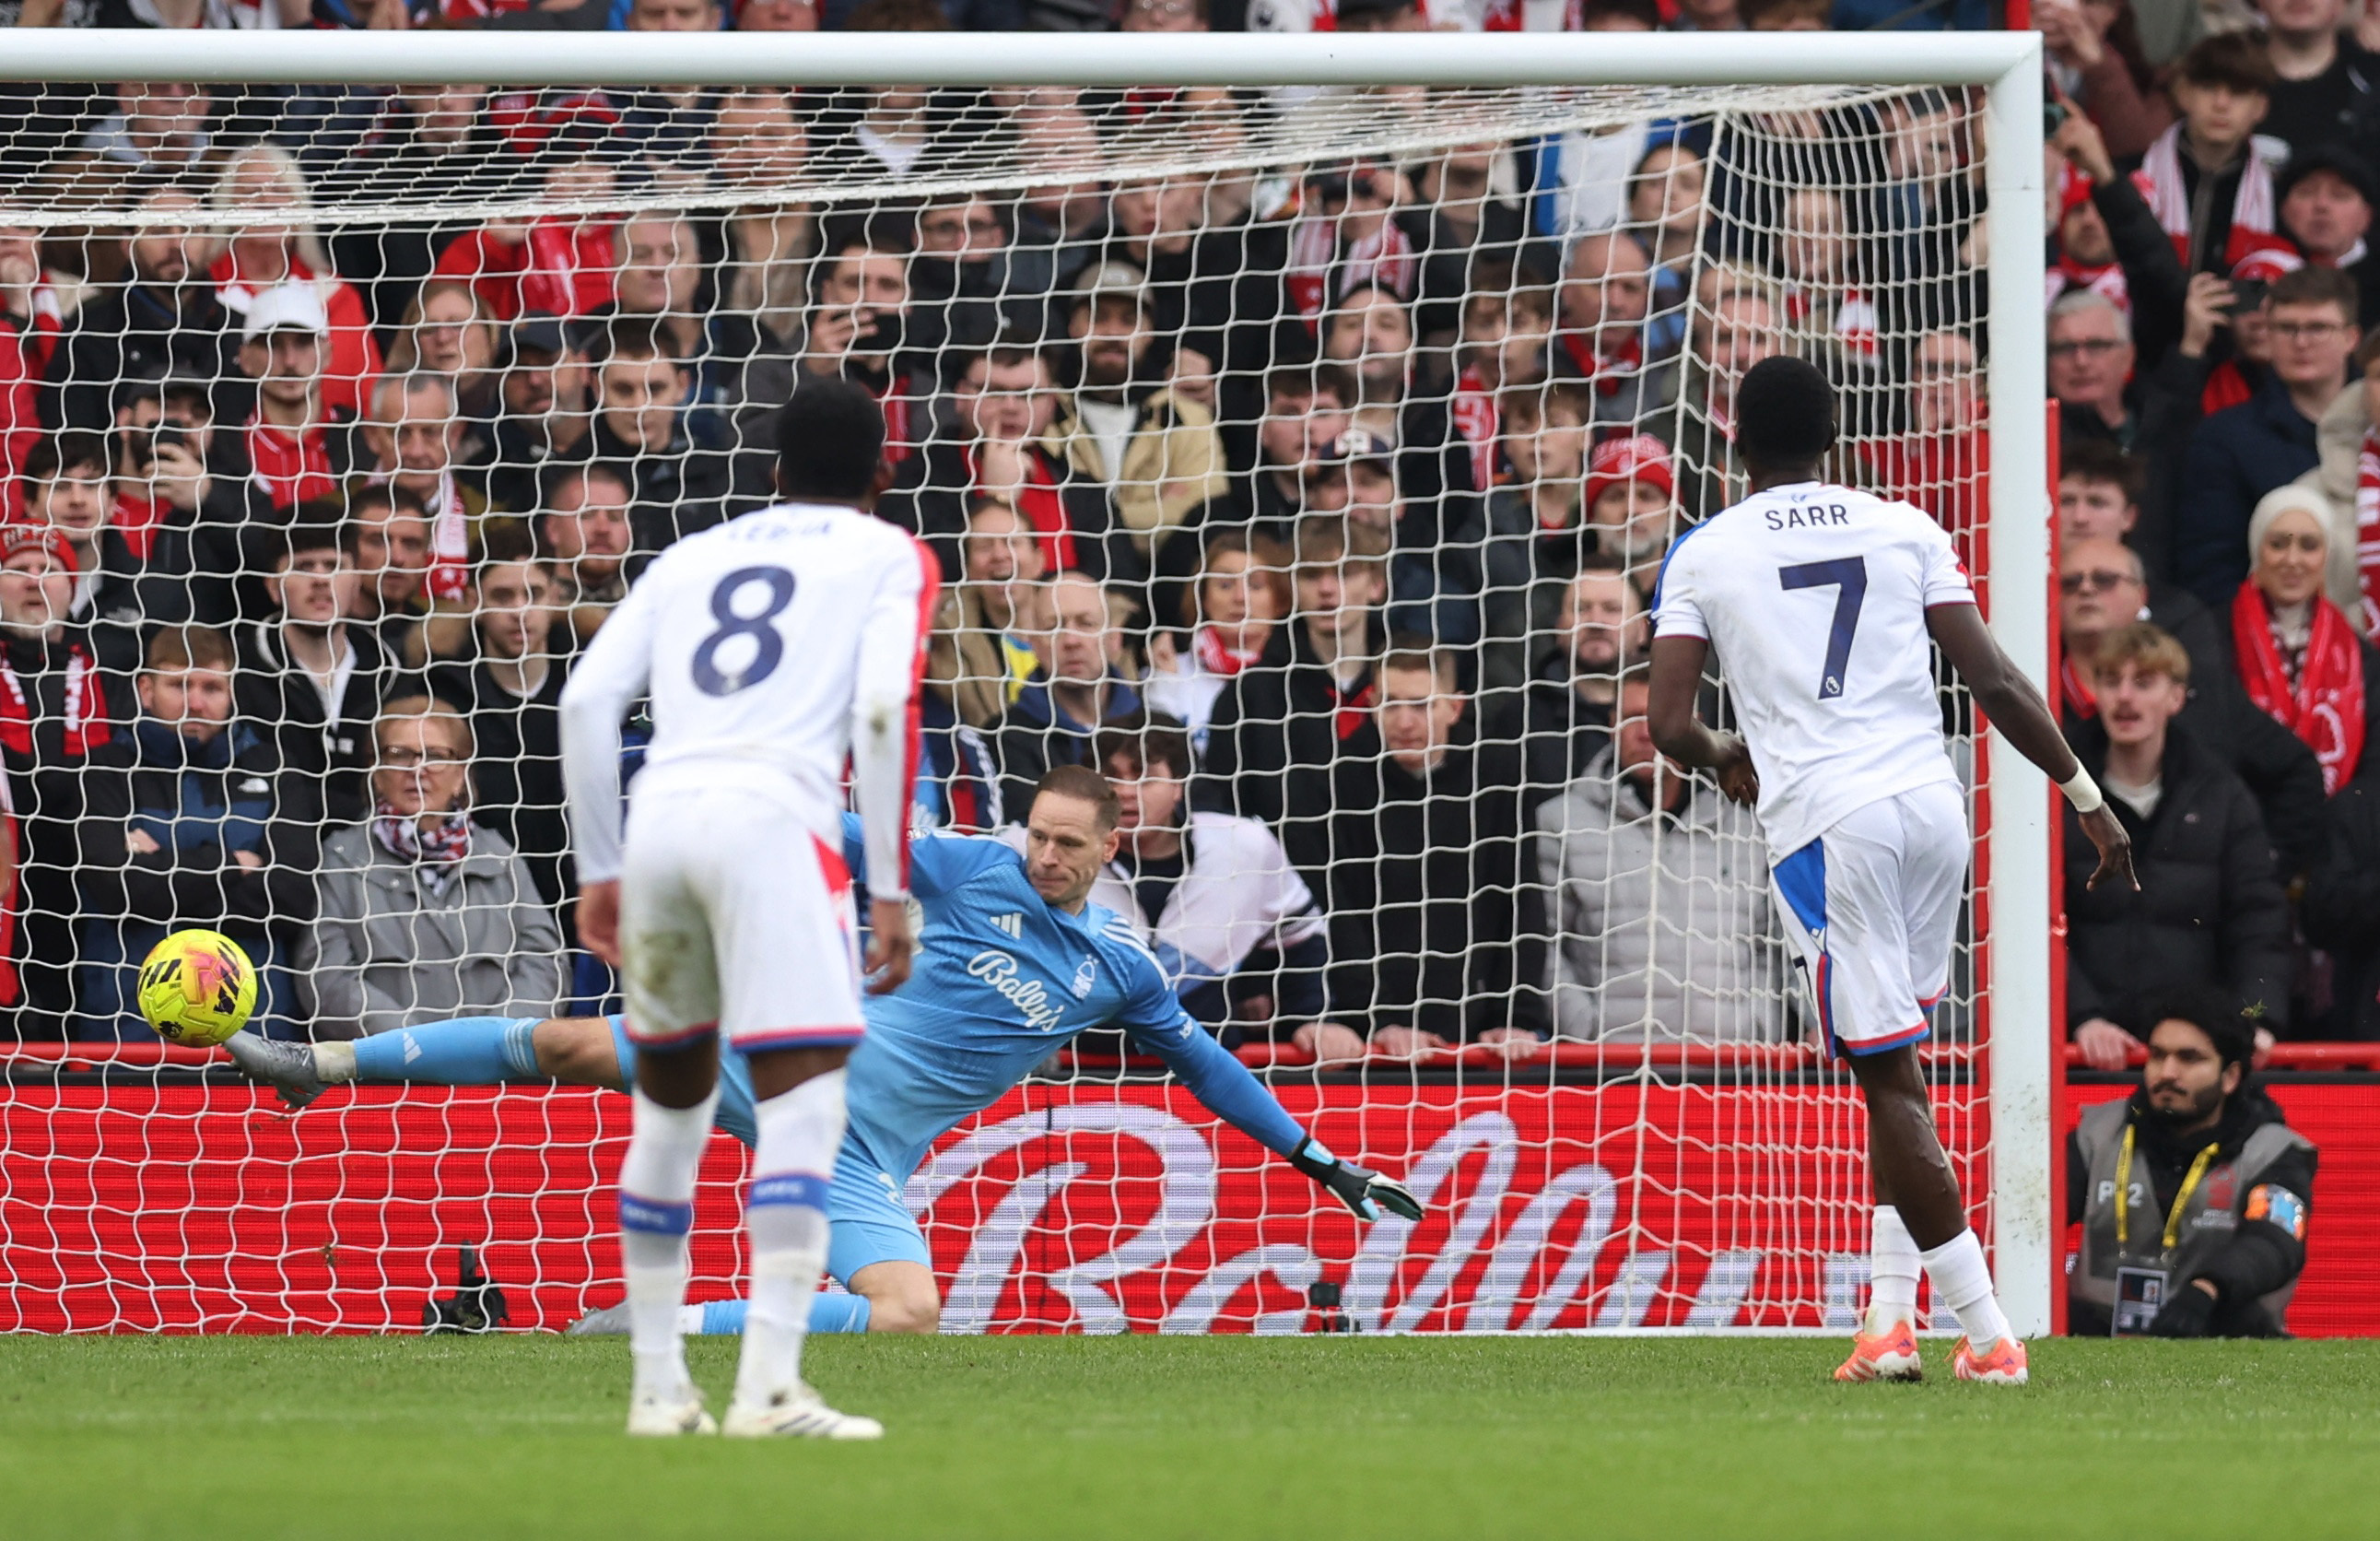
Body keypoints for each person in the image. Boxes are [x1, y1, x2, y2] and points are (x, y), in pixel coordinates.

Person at [221, 777, 1422, 1337]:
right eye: (1039, 836)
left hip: (859, 1154)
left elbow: (1206, 1069)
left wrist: (1316, 1159)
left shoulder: (1123, 969)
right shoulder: (970, 865)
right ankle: (318, 1064)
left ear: (1111, 848)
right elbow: (843, 830)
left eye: (1070, 844)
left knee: (907, 1314)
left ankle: (660, 1325)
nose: (1047, 856)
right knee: (569, 1040)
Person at [1647, 355, 2138, 1387]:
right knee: (1898, 1074)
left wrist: (1724, 753)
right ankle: (1887, 1321)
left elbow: (1666, 722)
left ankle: (1989, 1335)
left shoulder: (1706, 550)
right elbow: (1993, 679)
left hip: (1833, 827)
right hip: (1932, 811)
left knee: (1886, 1079)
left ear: (1734, 441)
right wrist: (2086, 797)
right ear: (1837, 439)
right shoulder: (1906, 525)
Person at [557, 378, 932, 1440]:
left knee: (671, 1114)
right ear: (881, 474)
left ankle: (656, 1389)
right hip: (777, 826)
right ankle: (767, 1389)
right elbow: (882, 709)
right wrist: (891, 886)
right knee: (802, 1113)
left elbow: (586, 700)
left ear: (772, 472)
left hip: (663, 821)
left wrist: (601, 867)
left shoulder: (692, 554)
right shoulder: (890, 554)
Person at [74, 626, 317, 1042]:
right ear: (146, 690)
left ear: (232, 693)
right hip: (131, 1026)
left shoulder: (274, 768)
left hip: (257, 1027)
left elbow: (291, 896)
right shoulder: (105, 770)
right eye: (180, 685)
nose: (196, 703)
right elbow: (118, 889)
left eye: (212, 688)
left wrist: (160, 872)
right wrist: (231, 865)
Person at [2065, 624, 2292, 1066]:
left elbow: (2259, 924)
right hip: (2082, 1055)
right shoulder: (2054, 793)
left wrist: (2256, 1019)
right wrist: (2083, 1018)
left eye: (2143, 682)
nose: (2124, 697)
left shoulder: (2223, 795)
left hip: (2193, 1057)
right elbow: (2030, 923)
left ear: (2176, 697)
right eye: (2111, 681)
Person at [1539, 667, 1788, 1044]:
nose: (1645, 731)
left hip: (1731, 1060)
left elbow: (1774, 942)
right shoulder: (1563, 822)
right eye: (1631, 717)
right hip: (1610, 1062)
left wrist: (1758, 1024)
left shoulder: (1746, 825)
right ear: (1612, 726)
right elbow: (1542, 942)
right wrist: (1586, 1029)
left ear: (1695, 728)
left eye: (1658, 718)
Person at [1324, 641, 1547, 1061]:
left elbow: (1519, 896)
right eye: (1390, 704)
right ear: (1371, 706)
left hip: (1480, 1024)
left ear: (1454, 708)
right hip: (1377, 1032)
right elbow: (1342, 909)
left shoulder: (1497, 772)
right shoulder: (1345, 778)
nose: (1404, 721)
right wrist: (1381, 1018)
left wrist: (1516, 1015)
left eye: (1420, 705)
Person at [304, 695, 563, 1041]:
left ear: (461, 776)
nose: (418, 769)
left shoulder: (499, 857)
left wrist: (496, 1041)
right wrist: (417, 1048)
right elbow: (326, 976)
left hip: (496, 1064)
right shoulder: (340, 858)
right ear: (376, 773)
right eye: (400, 754)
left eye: (436, 756)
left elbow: (545, 962)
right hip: (391, 1066)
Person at [2067, 986, 2316, 1337]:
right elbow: (2030, 1218)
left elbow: (2276, 1241)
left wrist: (2207, 1289)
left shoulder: (2274, 1151)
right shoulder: (2096, 1134)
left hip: (2225, 1336)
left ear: (2230, 1077)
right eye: (2157, 1055)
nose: (2167, 1072)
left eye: (2189, 1058)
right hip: (2096, 1337)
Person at [1085, 717, 1331, 1044]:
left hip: (1209, 1061)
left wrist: (1308, 1019)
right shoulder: (1053, 856)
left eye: (1145, 776)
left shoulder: (1242, 844)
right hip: (1084, 1062)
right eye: (1111, 777)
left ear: (1178, 785)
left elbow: (1301, 935)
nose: (1125, 791)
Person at [2175, 266, 2360, 606]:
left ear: (2351, 338)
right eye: (2286, 328)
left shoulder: (2373, 430)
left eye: (2318, 328)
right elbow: (2212, 571)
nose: (2301, 342)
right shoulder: (2224, 439)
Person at [428, 548, 574, 920]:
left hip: (583, 896)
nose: (519, 610)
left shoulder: (590, 683)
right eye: (503, 596)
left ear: (555, 597)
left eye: (533, 594)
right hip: (482, 904)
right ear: (474, 601)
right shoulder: (441, 694)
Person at [234, 522, 397, 829]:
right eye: (304, 567)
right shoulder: (238, 675)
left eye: (334, 566)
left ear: (356, 583)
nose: (321, 580)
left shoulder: (396, 678)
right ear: (273, 588)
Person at [2228, 483, 2380, 794]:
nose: (2292, 559)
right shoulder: (2216, 637)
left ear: (2326, 557)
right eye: (2278, 544)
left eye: (2309, 545)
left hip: (2336, 815)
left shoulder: (2361, 657)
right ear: (2257, 551)